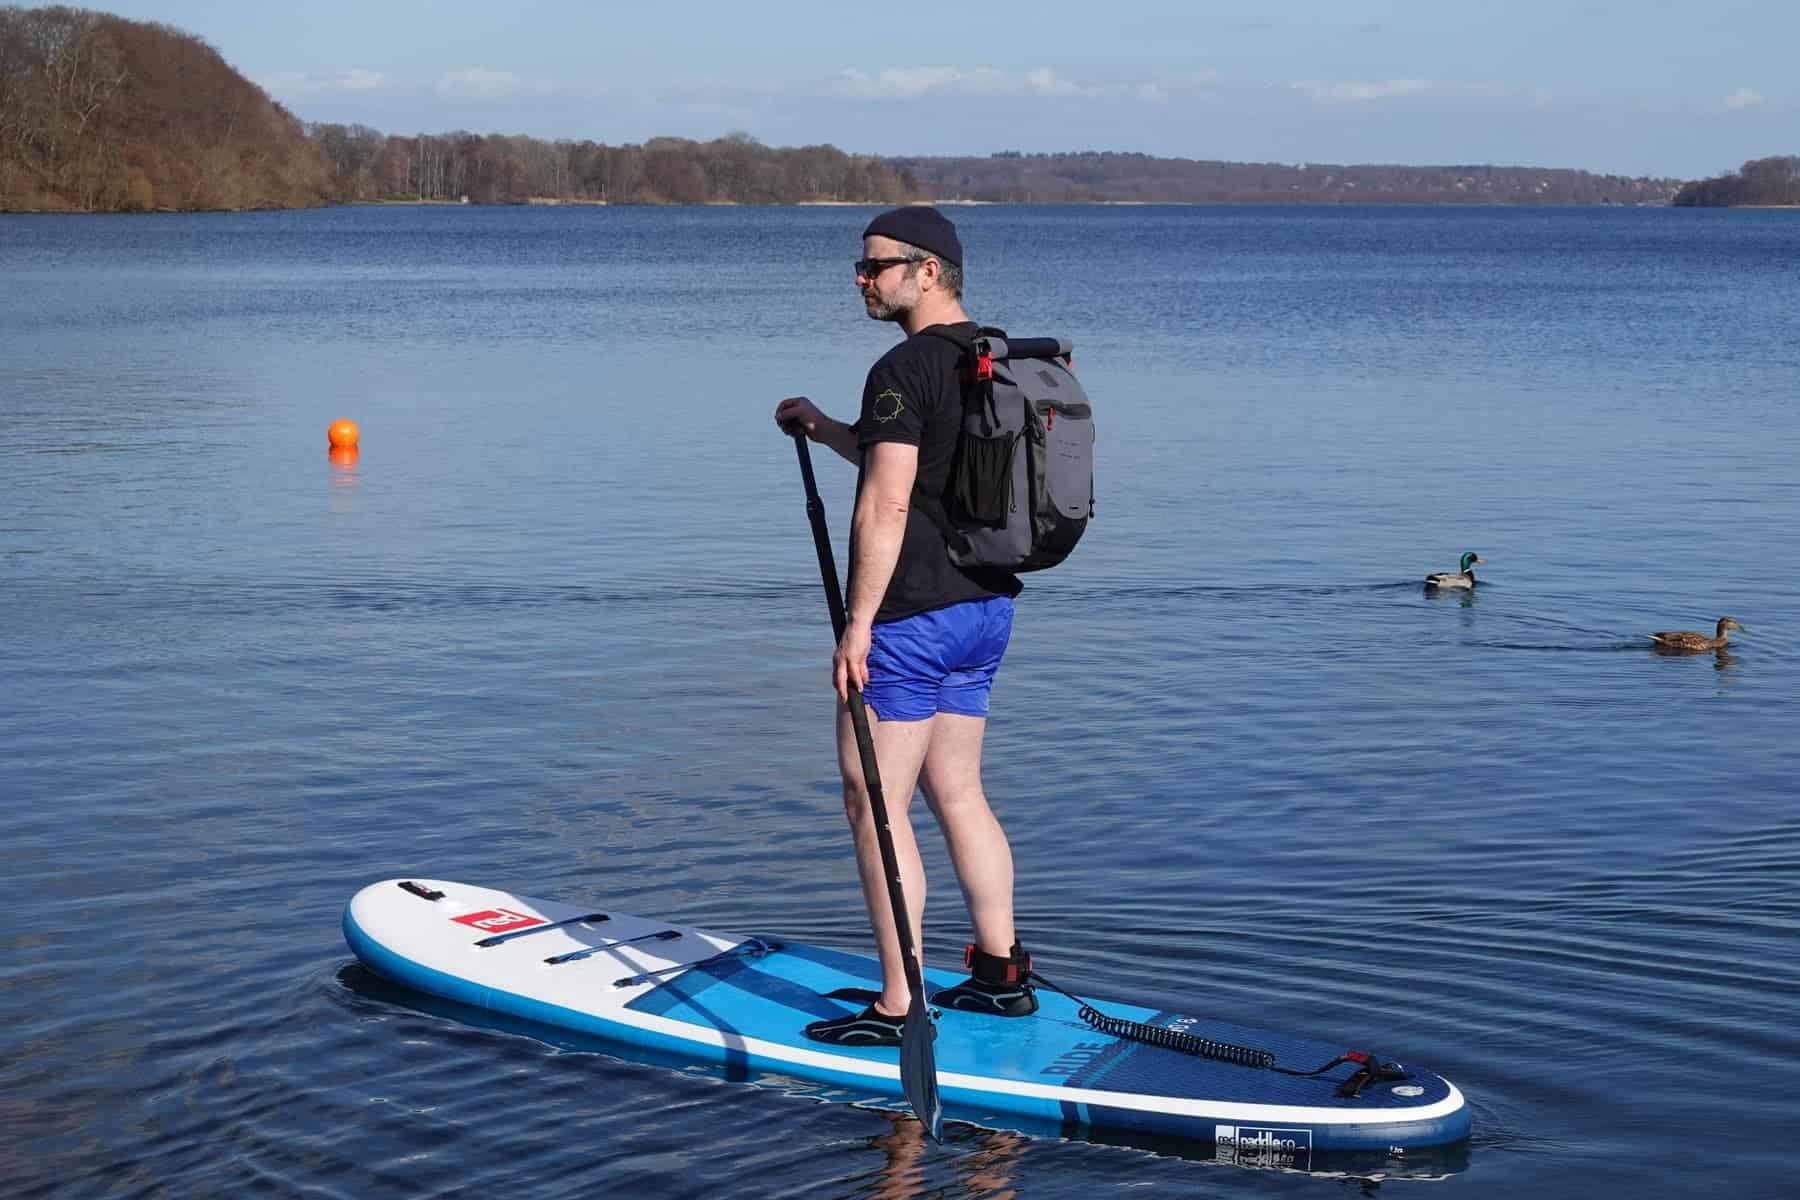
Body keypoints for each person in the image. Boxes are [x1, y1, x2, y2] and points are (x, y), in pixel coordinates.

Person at [773, 206, 1035, 1046]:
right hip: (985, 609)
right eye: (861, 265)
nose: (862, 278)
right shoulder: (992, 357)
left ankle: (900, 1002)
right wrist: (821, 429)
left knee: (873, 802)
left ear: (927, 272)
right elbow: (915, 466)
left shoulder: (901, 367)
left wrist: (857, 626)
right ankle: (1000, 975)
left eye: (877, 266)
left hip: (911, 617)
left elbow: (887, 501)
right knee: (958, 790)